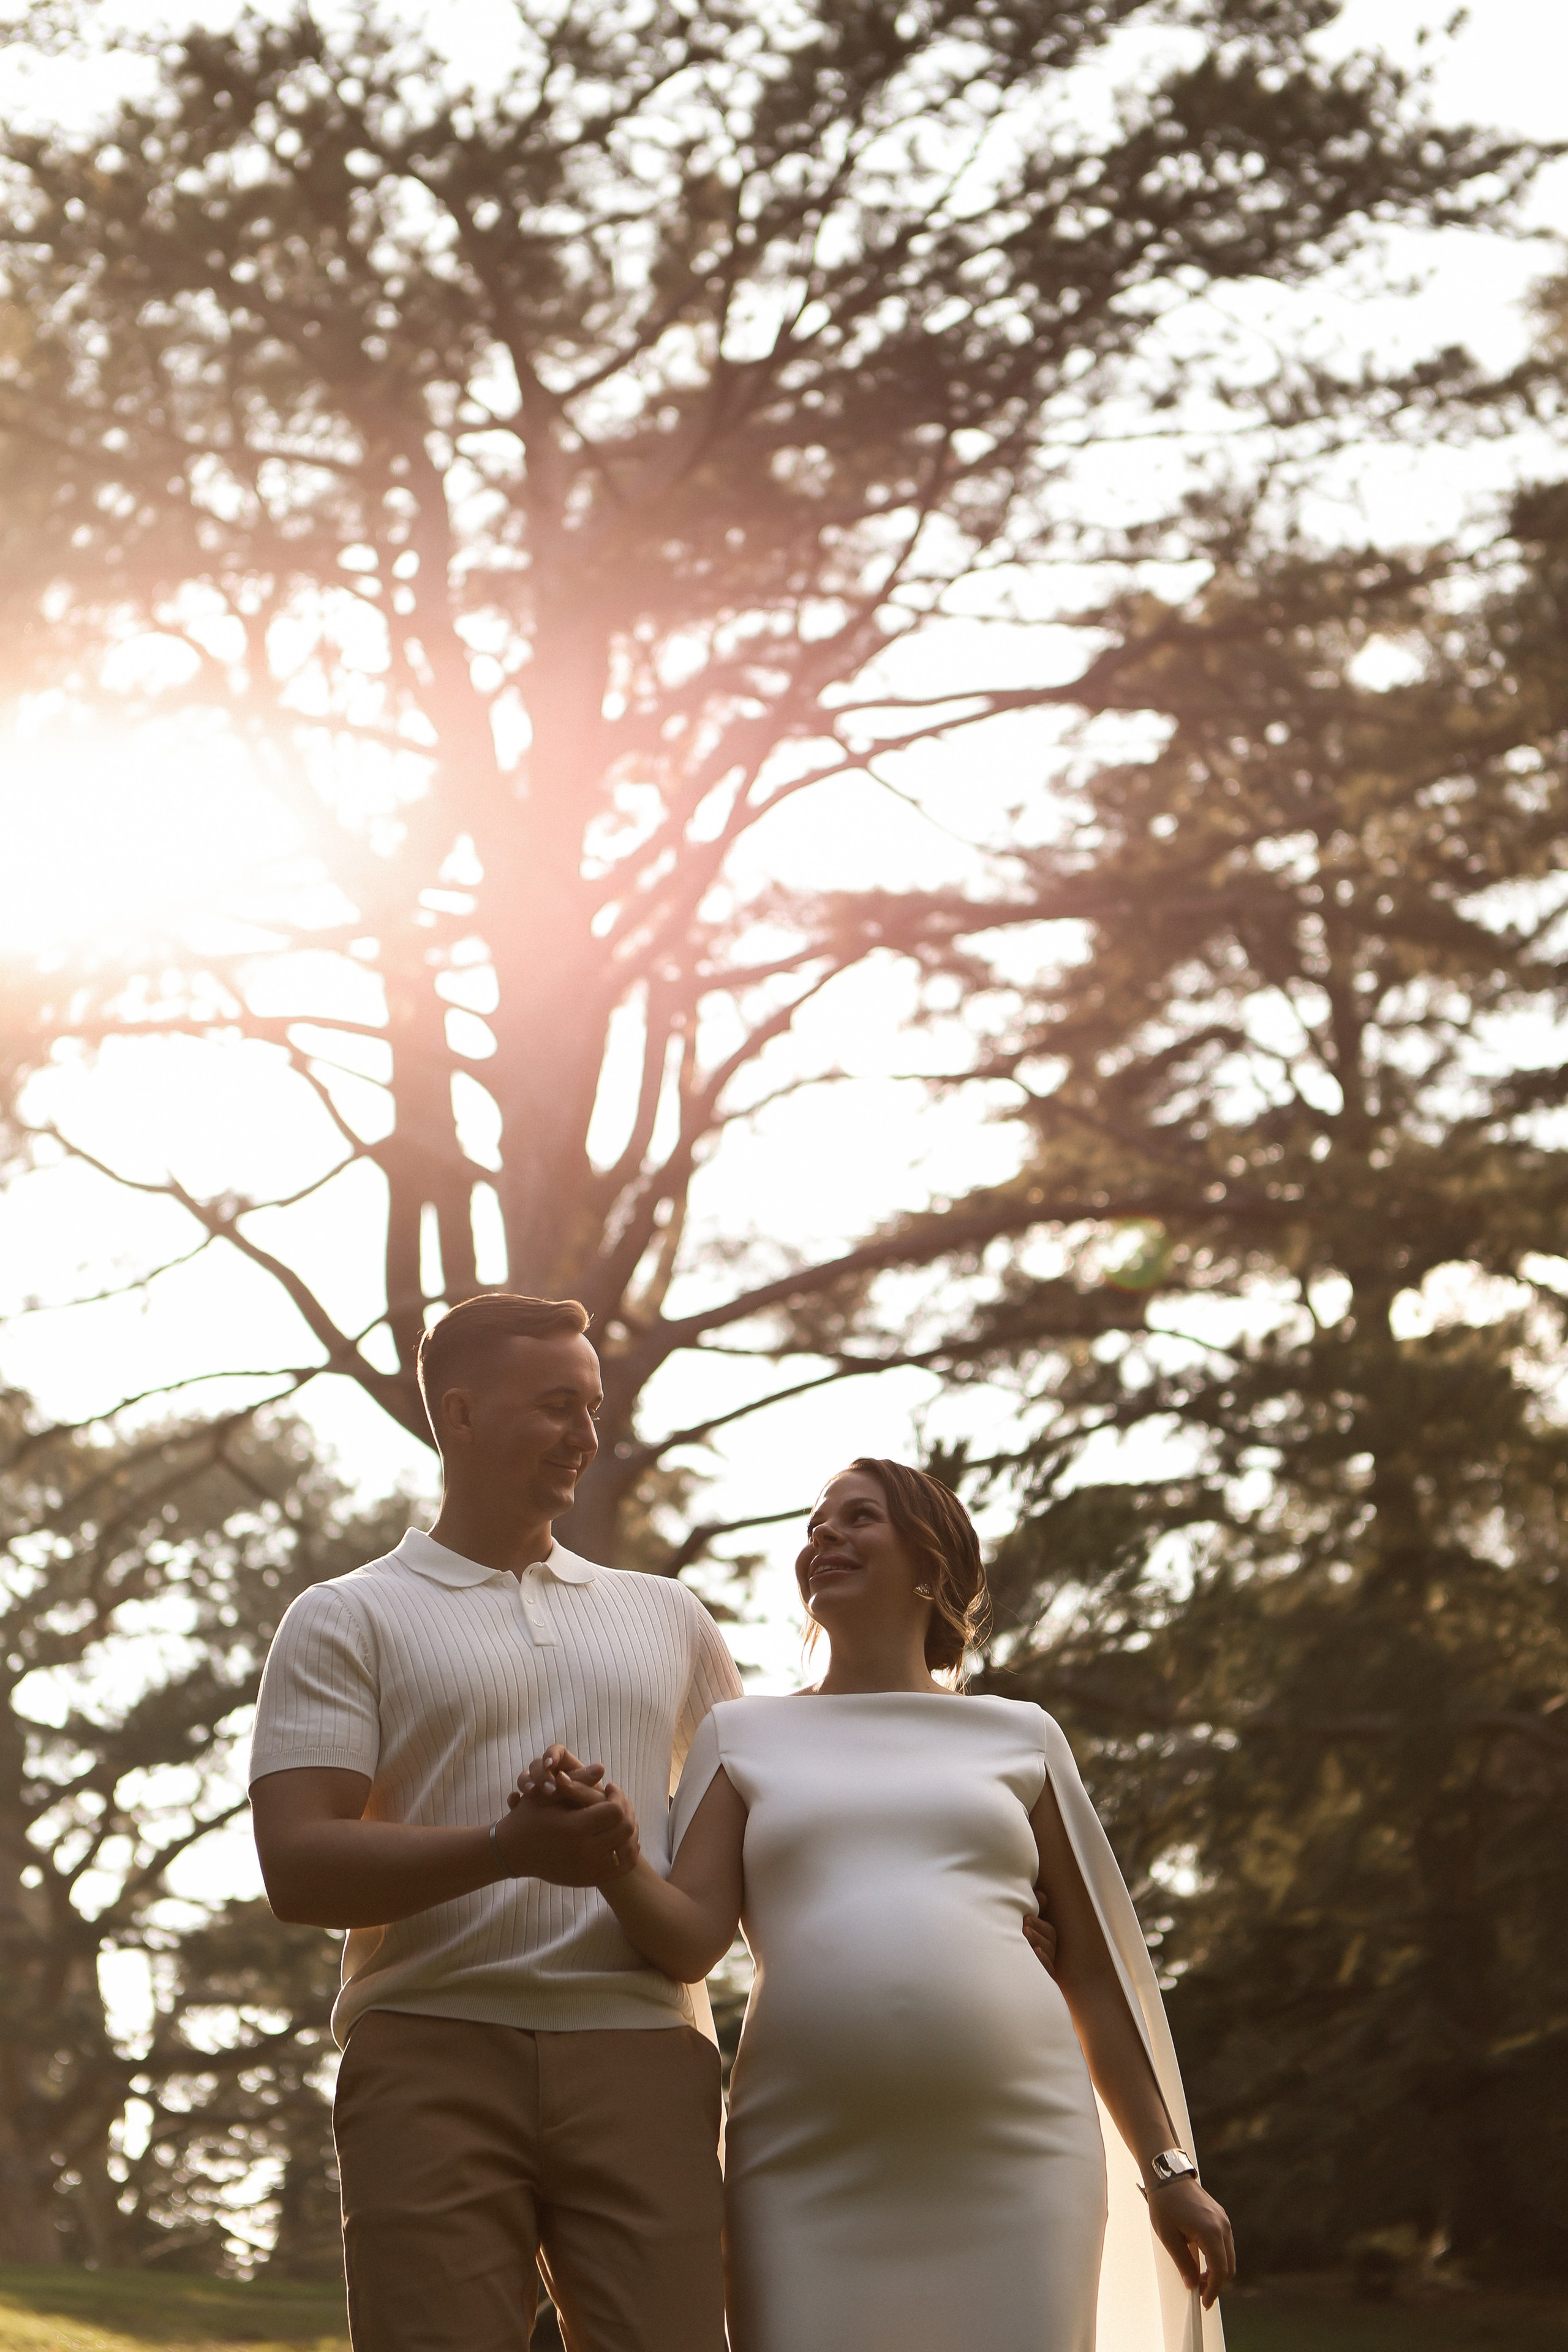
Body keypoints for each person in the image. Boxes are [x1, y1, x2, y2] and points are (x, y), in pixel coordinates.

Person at [524, 1457, 1236, 2352]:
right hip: (803, 2160)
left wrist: (1171, 2172)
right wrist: (616, 1856)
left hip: (1020, 2153)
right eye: (816, 1524)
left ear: (931, 1563)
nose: (824, 1534)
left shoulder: (1020, 1736)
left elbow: (1093, 1973)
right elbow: (691, 1942)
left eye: (859, 1517)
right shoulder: (741, 1735)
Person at [247, 1292, 744, 2352]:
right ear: (460, 1414)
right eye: (557, 1404)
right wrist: (503, 1851)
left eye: (592, 1406)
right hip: (428, 2051)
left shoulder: (672, 1619)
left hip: (646, 2051)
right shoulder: (347, 1616)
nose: (586, 1434)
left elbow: (758, 1840)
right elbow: (298, 1866)